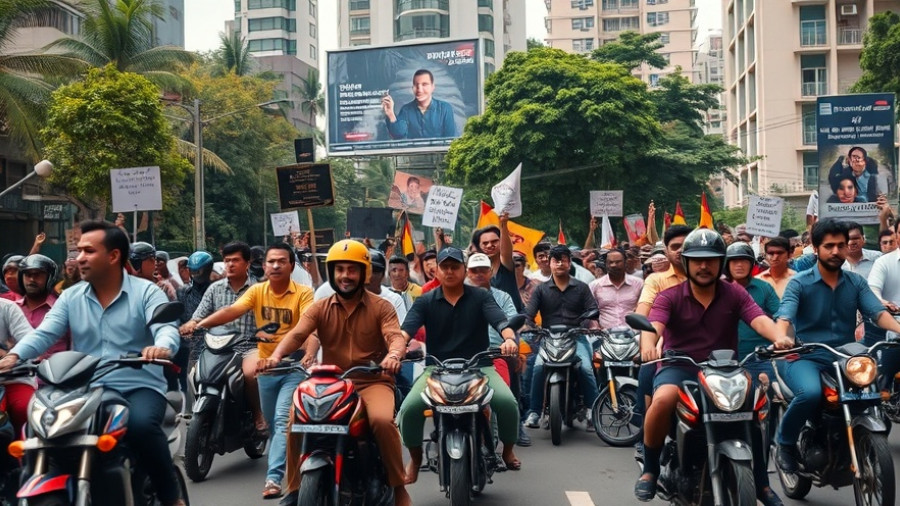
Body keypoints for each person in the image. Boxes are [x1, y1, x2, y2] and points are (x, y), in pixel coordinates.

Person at [0, 220, 185, 506]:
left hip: (138, 386)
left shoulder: (147, 292)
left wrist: (162, 346)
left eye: (88, 251)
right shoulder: (71, 297)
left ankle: (172, 497)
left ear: (113, 256)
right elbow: (45, 334)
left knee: (141, 428)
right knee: (39, 432)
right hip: (84, 391)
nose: (79, 257)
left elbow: (166, 327)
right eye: (78, 251)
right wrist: (14, 356)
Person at [635, 229, 793, 502]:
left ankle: (762, 484)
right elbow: (653, 326)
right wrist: (648, 346)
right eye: (697, 260)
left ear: (721, 262)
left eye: (711, 259)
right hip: (680, 366)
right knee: (662, 400)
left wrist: (780, 337)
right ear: (686, 262)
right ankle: (650, 470)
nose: (704, 265)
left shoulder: (735, 294)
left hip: (725, 369)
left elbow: (758, 318)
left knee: (758, 406)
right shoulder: (669, 296)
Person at [257, 240, 412, 506]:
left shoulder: (382, 306)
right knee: (295, 421)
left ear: (364, 273)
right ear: (332, 272)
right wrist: (275, 356)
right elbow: (297, 334)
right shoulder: (320, 306)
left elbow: (394, 337)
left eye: (352, 270)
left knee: (382, 421)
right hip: (330, 384)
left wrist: (394, 356)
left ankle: (398, 487)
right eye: (339, 269)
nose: (345, 276)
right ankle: (294, 489)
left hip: (372, 381)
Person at [773, 219, 900, 474]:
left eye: (841, 246)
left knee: (871, 391)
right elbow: (784, 316)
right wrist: (781, 337)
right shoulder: (799, 283)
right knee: (810, 394)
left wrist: (899, 329)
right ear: (816, 248)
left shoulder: (855, 282)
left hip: (845, 356)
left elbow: (877, 313)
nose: (835, 251)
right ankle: (785, 445)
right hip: (804, 357)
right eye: (828, 246)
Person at [193, 243, 314, 499]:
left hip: (290, 366)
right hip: (265, 369)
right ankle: (293, 461)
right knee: (274, 426)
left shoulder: (304, 293)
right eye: (271, 261)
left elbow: (308, 327)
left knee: (282, 422)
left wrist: (310, 352)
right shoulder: (257, 292)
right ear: (265, 265)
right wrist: (197, 323)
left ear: (292, 266)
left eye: (282, 261)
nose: (276, 265)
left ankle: (274, 478)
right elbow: (230, 311)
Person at [398, 247, 521, 482]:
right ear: (438, 271)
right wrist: (398, 349)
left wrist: (508, 338)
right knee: (408, 410)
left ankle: (506, 450)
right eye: (445, 267)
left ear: (464, 270)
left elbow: (500, 320)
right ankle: (414, 460)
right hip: (436, 369)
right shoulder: (425, 301)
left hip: (480, 366)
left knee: (507, 403)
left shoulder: (481, 297)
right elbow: (406, 330)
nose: (450, 271)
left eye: (455, 267)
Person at [178, 242, 264, 433]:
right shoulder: (215, 289)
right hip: (216, 346)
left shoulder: (259, 289)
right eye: (227, 261)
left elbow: (266, 321)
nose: (230, 265)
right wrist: (190, 325)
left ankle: (258, 415)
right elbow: (199, 315)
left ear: (247, 263)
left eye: (235, 260)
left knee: (251, 374)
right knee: (194, 374)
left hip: (248, 346)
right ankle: (199, 411)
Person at [723, 242, 783, 506]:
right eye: (733, 260)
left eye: (743, 260)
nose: (738, 265)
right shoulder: (718, 289)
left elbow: (780, 316)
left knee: (762, 420)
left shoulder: (764, 288)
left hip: (758, 360)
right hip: (723, 364)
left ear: (751, 264)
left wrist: (782, 339)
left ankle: (762, 483)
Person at [523, 245, 600, 430]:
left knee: (586, 369)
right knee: (538, 368)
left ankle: (592, 410)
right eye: (555, 259)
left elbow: (592, 310)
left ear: (569, 262)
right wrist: (528, 325)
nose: (559, 263)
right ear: (549, 263)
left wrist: (588, 323)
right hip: (549, 338)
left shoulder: (581, 287)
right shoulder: (541, 289)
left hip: (576, 337)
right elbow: (529, 313)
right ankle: (534, 412)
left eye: (563, 259)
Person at [15, 254, 70, 359]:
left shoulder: (63, 308)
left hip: (57, 372)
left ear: (50, 278)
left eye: (37, 275)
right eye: (27, 274)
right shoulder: (12, 309)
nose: (31, 279)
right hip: (17, 372)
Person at [382, 69, 457, 140]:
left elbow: (449, 140)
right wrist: (390, 114)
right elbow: (399, 135)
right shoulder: (406, 110)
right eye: (416, 85)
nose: (419, 90)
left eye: (424, 84)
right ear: (412, 88)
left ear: (432, 87)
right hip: (413, 153)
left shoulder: (445, 109)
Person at [471, 212, 524, 311]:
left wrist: (503, 224)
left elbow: (506, 253)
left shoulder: (505, 264)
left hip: (514, 320)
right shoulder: (475, 272)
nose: (489, 245)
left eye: (494, 241)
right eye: (485, 243)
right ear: (479, 247)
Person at [0, 297, 35, 433]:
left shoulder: (7, 307)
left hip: (17, 377)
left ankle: (27, 453)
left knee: (27, 410)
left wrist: (12, 354)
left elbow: (30, 341)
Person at [589, 248, 643, 329]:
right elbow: (589, 311)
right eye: (610, 262)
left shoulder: (639, 284)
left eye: (618, 262)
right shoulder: (594, 285)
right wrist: (595, 327)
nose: (613, 265)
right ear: (606, 264)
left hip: (634, 334)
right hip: (605, 335)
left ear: (625, 263)